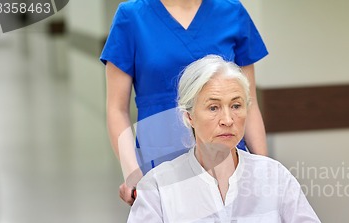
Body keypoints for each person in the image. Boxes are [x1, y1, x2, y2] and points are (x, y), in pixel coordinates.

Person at [116, 55, 336, 223]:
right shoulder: (159, 185)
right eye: (213, 108)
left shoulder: (274, 176)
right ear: (188, 116)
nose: (228, 119)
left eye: (236, 105)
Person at [100, 0, 269, 205]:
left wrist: (264, 170)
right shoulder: (131, 16)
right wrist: (133, 175)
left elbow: (247, 104)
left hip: (227, 161)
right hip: (160, 160)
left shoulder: (232, 12)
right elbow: (117, 109)